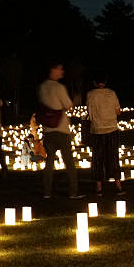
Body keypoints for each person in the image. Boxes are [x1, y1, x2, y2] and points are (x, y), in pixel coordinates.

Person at [38, 62, 83, 199]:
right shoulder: (59, 87)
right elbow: (68, 105)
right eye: (59, 69)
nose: (62, 71)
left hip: (47, 129)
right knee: (68, 161)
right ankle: (73, 191)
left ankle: (47, 192)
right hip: (61, 129)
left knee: (49, 162)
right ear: (52, 70)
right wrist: (75, 101)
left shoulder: (42, 87)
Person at [86, 78, 123, 196]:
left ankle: (99, 188)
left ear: (94, 82)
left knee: (98, 158)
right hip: (111, 129)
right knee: (113, 157)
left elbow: (89, 113)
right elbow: (118, 111)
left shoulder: (90, 95)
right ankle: (118, 186)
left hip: (97, 130)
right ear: (105, 82)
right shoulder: (111, 93)